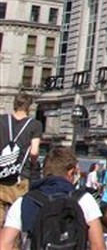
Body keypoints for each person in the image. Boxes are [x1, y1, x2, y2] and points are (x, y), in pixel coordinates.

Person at [0, 146, 105, 250]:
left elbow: (4, 245)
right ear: (70, 172)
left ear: (45, 172)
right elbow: (98, 245)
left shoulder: (25, 201)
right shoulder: (84, 200)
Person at [0, 92, 42, 224]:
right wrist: (33, 165)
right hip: (20, 176)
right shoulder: (34, 124)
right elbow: (34, 152)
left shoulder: (1, 120)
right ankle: (11, 244)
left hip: (0, 176)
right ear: (29, 106)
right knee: (15, 221)